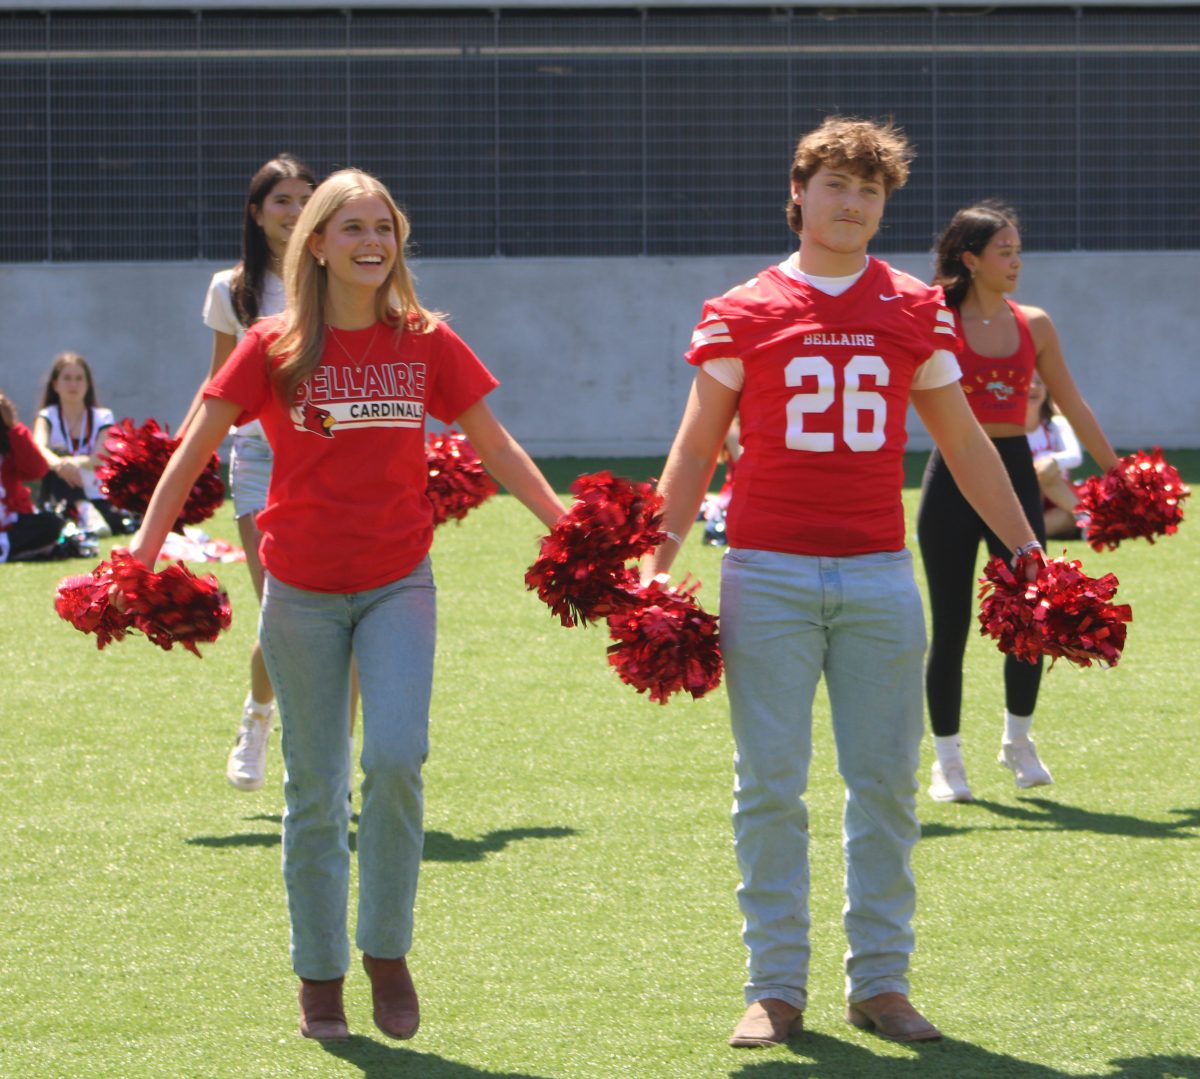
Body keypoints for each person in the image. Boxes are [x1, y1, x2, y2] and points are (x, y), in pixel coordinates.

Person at [127, 168, 565, 1043]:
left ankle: (387, 955)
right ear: (315, 244)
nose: (373, 240)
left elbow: (497, 443)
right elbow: (195, 446)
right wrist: (139, 554)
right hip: (299, 591)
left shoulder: (429, 340)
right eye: (353, 226)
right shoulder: (271, 344)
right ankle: (320, 979)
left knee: (397, 758)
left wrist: (572, 531)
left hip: (400, 579)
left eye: (386, 226)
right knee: (315, 790)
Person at [641, 116, 1044, 1048]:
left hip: (876, 572)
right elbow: (697, 443)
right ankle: (775, 986)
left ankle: (882, 982)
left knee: (886, 784)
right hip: (767, 571)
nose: (854, 204)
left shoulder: (912, 306)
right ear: (799, 193)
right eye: (837, 186)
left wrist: (1027, 550)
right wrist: (652, 568)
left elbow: (964, 443)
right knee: (770, 785)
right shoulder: (742, 306)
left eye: (871, 191)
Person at [917, 201, 1119, 804]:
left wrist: (1119, 474)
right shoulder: (935, 318)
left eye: (1018, 250)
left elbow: (1074, 404)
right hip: (951, 475)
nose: (1016, 262)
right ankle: (947, 761)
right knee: (949, 626)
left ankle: (1018, 741)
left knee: (1033, 618)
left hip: (1015, 471)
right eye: (1004, 252)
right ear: (971, 259)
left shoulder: (1035, 323)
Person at [181, 154, 319, 792]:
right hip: (259, 458)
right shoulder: (229, 288)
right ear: (257, 213)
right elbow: (217, 386)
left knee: (331, 608)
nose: (293, 212)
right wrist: (179, 453)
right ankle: (260, 719)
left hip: (328, 455)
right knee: (280, 612)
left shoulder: (334, 274)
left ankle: (319, 749)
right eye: (281, 201)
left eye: (303, 199)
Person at [33, 351, 130, 536]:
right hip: (59, 495)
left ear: (87, 384)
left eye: (79, 378)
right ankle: (83, 508)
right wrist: (60, 464)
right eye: (67, 378)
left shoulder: (103, 417)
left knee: (117, 522)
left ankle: (87, 510)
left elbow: (100, 456)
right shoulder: (47, 416)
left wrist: (73, 463)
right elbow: (38, 448)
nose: (73, 384)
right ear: (55, 384)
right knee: (57, 452)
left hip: (97, 492)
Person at [1, 391, 64, 562]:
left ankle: (7, 550)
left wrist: (13, 427)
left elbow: (37, 470)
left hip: (12, 524)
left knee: (51, 524)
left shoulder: (8, 438)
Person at [1025, 372, 1087, 539]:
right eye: (1027, 382)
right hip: (1026, 499)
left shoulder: (1056, 425)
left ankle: (1086, 520)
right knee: (1040, 471)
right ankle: (1089, 520)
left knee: (1067, 518)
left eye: (1039, 382)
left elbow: (1075, 457)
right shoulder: (1009, 430)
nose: (1033, 387)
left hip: (1061, 498)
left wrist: (1051, 461)